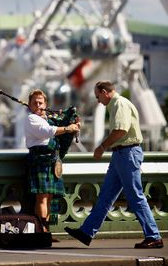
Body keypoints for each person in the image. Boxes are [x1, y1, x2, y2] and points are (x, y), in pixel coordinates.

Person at [65, 80, 164, 249]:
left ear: (105, 92)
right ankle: (87, 232)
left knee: (135, 195)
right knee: (106, 196)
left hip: (127, 153)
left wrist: (102, 147)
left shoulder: (119, 103)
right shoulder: (116, 105)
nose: (98, 101)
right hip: (121, 154)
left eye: (98, 97)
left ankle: (153, 236)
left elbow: (121, 130)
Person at [24, 88, 80, 233]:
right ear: (29, 105)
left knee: (48, 198)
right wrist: (67, 128)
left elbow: (57, 128)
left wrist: (71, 122)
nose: (38, 105)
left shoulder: (49, 119)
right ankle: (42, 232)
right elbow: (47, 132)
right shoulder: (32, 119)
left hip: (52, 160)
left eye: (40, 102)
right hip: (40, 160)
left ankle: (45, 230)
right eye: (34, 102)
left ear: (45, 104)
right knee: (42, 198)